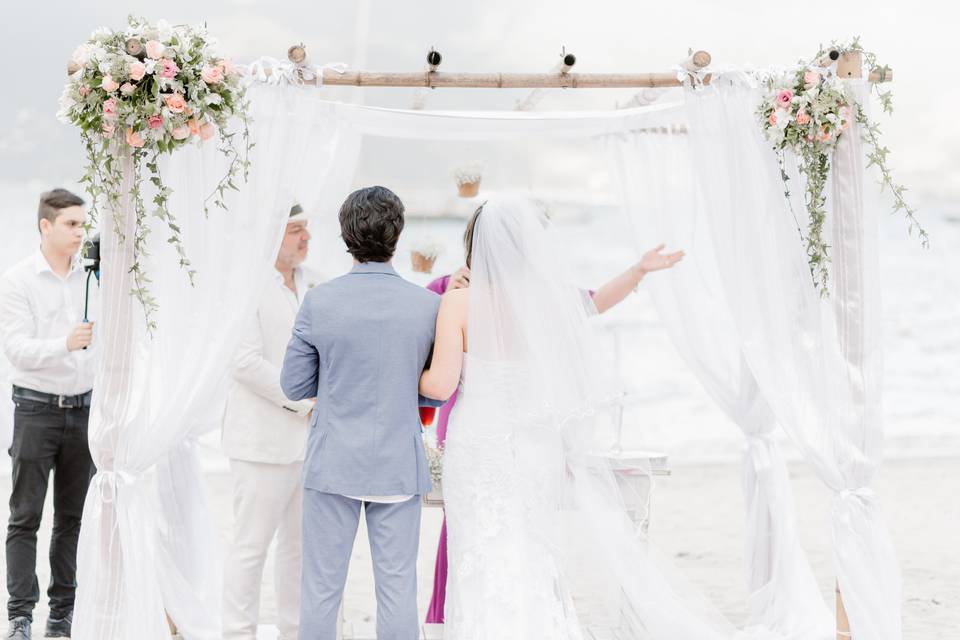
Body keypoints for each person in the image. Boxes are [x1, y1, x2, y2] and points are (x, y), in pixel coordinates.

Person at [420, 196, 739, 639]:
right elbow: (589, 308)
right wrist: (638, 270)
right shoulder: (545, 306)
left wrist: (406, 377)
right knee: (534, 552)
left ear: (473, 246)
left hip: (478, 446)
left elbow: (439, 386)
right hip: (534, 448)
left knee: (479, 551)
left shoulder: (456, 303)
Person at [280, 186, 442, 640]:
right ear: (398, 234)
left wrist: (336, 384)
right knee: (397, 590)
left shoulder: (320, 301)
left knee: (321, 591)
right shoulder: (428, 305)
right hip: (396, 464)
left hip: (332, 465)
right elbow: (435, 392)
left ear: (345, 235)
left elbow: (292, 385)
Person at [0, 189, 98, 640]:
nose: (81, 232)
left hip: (85, 411)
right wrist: (66, 342)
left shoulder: (94, 277)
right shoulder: (19, 280)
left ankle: (62, 617)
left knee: (73, 519)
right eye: (72, 224)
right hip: (35, 409)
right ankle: (20, 616)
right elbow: (15, 349)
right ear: (46, 225)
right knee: (25, 516)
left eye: (83, 224)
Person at [221, 204, 320, 640]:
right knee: (250, 548)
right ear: (270, 234)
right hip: (260, 442)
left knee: (299, 550)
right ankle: (238, 633)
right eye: (295, 230)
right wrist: (303, 403)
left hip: (310, 444)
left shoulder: (314, 284)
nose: (305, 238)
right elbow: (244, 362)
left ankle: (294, 631)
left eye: (306, 230)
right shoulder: (247, 286)